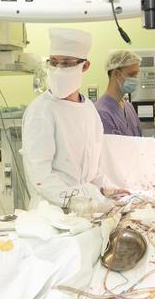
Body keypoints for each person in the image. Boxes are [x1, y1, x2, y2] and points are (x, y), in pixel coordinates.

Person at [20, 28, 112, 217]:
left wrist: (103, 192)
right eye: (54, 62)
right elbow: (41, 177)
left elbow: (94, 165)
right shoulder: (42, 111)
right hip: (53, 213)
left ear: (85, 66)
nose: (58, 69)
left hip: (87, 210)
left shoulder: (89, 110)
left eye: (66, 63)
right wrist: (79, 199)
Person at [97, 48, 144, 137]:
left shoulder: (128, 106)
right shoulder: (102, 112)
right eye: (132, 75)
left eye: (136, 75)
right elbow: (112, 149)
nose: (135, 79)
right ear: (116, 74)